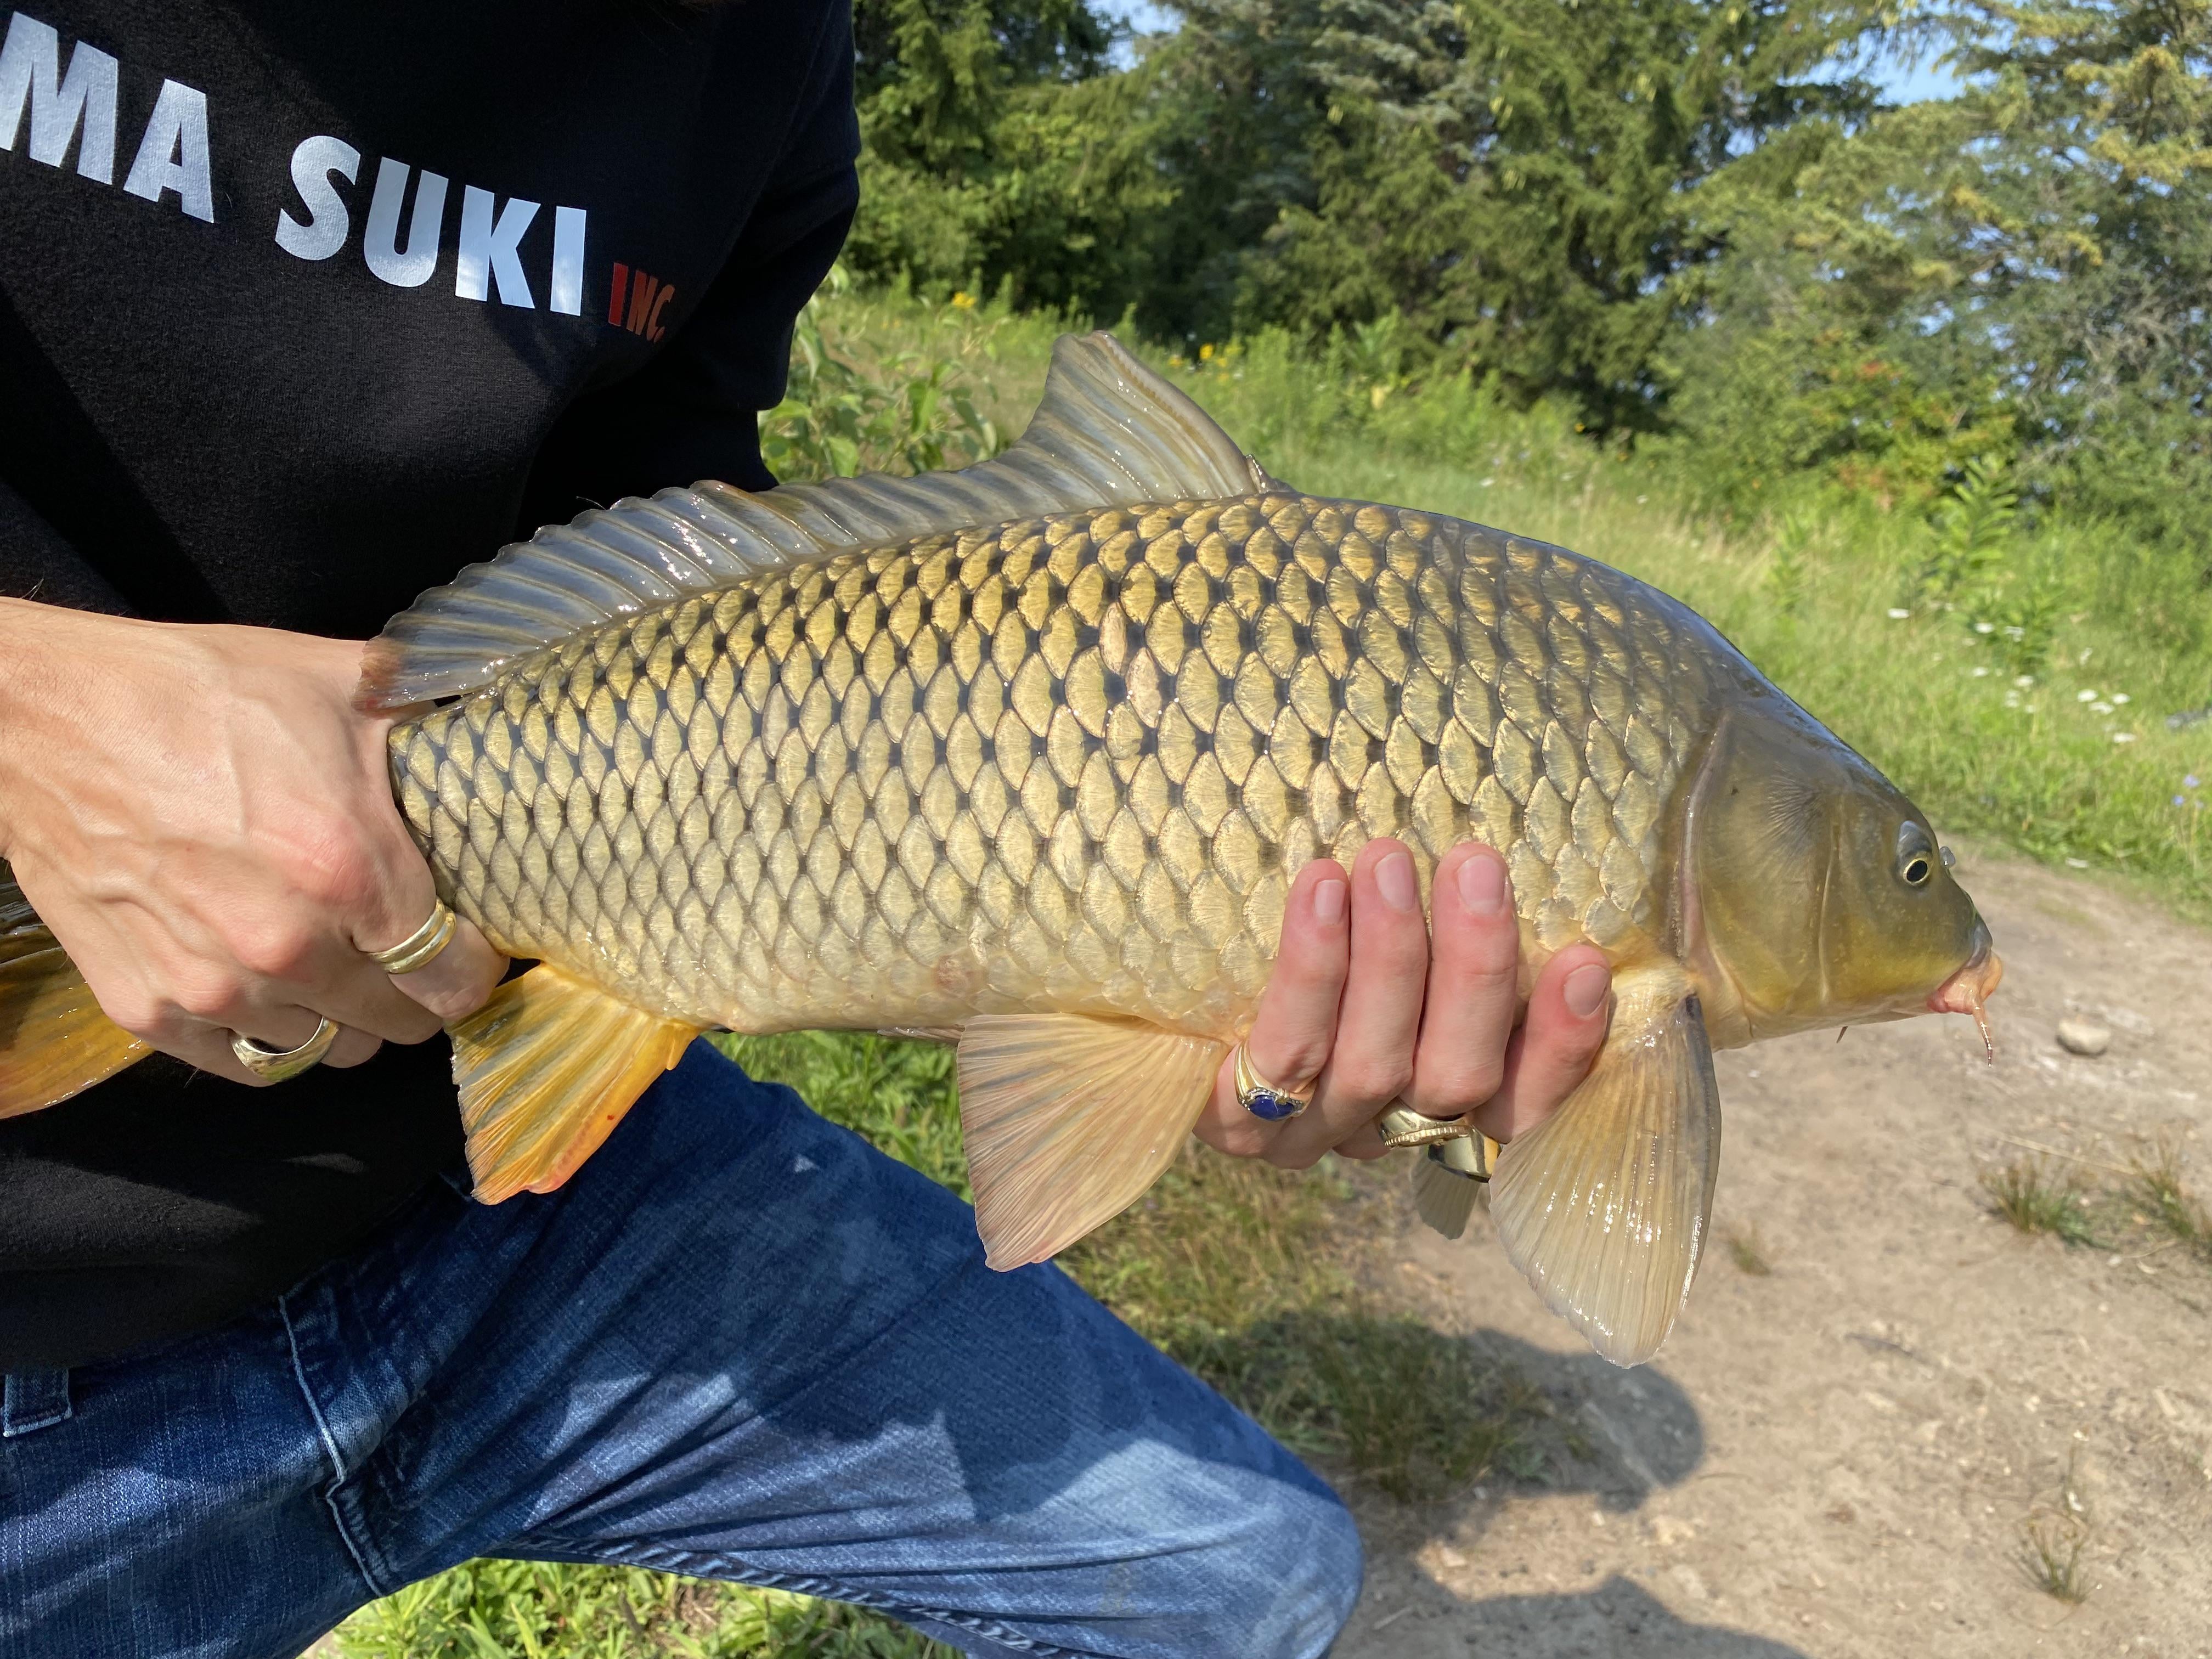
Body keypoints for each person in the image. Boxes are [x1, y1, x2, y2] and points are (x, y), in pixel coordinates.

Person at [0, 3, 1613, 1656]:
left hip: (495, 1187)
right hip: (34, 1310)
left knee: (1254, 1579)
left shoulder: (757, 46)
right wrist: (27, 704)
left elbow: (671, 572)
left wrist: (1141, 960)